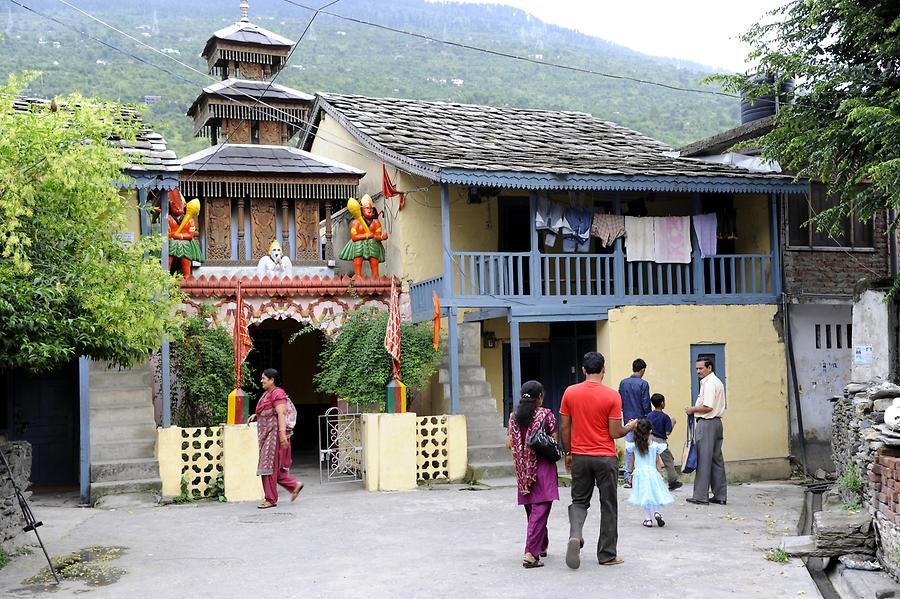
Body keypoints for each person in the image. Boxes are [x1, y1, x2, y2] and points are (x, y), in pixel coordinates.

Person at [560, 351, 637, 569]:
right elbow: (614, 432)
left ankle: (575, 534)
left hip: (580, 456)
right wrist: (629, 427)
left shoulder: (570, 393)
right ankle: (606, 555)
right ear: (603, 370)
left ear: (583, 370)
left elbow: (564, 427)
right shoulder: (612, 396)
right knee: (608, 505)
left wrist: (568, 452)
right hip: (605, 457)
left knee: (579, 501)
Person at [506, 380, 560, 569]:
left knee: (532, 510)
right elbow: (554, 440)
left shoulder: (514, 417)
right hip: (543, 467)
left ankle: (541, 545)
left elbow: (509, 443)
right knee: (540, 510)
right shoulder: (547, 415)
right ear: (540, 397)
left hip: (523, 471)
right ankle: (531, 553)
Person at [248, 368, 302, 509]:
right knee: (272, 468)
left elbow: (281, 414)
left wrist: (282, 435)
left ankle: (270, 499)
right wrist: (256, 415)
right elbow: (266, 411)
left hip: (274, 436)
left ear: (272, 380)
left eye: (264, 378)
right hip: (266, 436)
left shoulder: (278, 393)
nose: (261, 381)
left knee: (268, 467)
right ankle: (294, 485)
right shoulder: (267, 394)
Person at [685, 357, 727, 506]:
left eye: (700, 368)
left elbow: (707, 407)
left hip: (707, 422)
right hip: (717, 423)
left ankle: (701, 496)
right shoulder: (718, 382)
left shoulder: (709, 383)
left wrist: (692, 409)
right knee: (717, 460)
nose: (698, 371)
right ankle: (720, 495)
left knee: (703, 459)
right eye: (696, 369)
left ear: (709, 368)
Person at [626, 419, 674, 527]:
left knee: (645, 495)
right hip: (653, 472)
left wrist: (629, 474)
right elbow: (658, 461)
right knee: (654, 493)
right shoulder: (655, 446)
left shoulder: (634, 446)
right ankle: (657, 512)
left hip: (640, 474)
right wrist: (660, 473)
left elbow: (632, 461)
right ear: (650, 431)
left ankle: (648, 519)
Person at [619, 358, 651, 489]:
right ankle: (642, 478)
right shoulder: (643, 384)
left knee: (629, 449)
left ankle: (628, 478)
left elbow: (619, 401)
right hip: (641, 421)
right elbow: (646, 404)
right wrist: (648, 419)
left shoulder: (623, 383)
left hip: (628, 421)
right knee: (643, 449)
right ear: (642, 370)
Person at [339, 194, 388, 278]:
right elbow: (354, 238)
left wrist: (382, 237)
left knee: (374, 259)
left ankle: (375, 276)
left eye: (370, 208)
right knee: (358, 255)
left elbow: (377, 236)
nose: (369, 210)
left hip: (373, 244)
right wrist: (365, 236)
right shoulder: (356, 222)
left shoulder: (376, 222)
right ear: (361, 210)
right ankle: (358, 275)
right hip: (359, 244)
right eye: (366, 208)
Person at [647, 393, 682, 490]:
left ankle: (651, 482)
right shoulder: (665, 417)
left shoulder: (649, 415)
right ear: (662, 403)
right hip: (661, 442)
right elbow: (668, 432)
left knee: (651, 461)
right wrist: (673, 423)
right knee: (668, 461)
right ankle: (672, 481)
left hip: (651, 439)